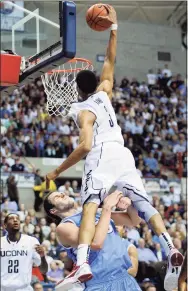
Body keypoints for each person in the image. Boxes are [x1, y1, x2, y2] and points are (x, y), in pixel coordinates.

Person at [45, 5, 183, 290]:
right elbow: (110, 58)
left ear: (76, 90)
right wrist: (114, 27)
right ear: (95, 83)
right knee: (144, 204)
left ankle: (81, 262)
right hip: (124, 154)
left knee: (89, 204)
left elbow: (85, 146)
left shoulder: (83, 110)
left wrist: (58, 170)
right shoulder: (105, 90)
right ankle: (169, 246)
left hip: (102, 154)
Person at [43, 190, 141, 290]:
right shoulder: (63, 227)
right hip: (101, 284)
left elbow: (134, 220)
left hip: (125, 277)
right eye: (57, 197)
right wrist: (106, 207)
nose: (62, 194)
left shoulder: (95, 213)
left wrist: (129, 203)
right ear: (53, 211)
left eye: (61, 193)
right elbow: (96, 243)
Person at [1, 213, 48, 291]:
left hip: (24, 288)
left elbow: (44, 270)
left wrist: (42, 256)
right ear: (5, 225)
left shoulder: (31, 241)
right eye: (11, 219)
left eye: (17, 219)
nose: (15, 220)